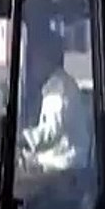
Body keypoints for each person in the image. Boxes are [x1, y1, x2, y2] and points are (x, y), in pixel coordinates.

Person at [20, 25, 91, 172]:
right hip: (58, 159)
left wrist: (24, 138)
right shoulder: (54, 84)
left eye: (36, 59)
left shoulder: (59, 87)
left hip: (67, 164)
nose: (33, 65)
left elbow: (52, 131)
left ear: (48, 58)